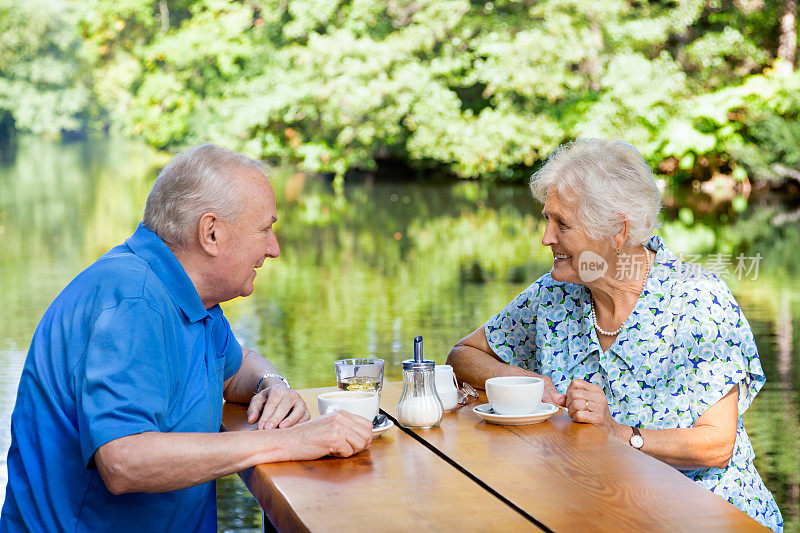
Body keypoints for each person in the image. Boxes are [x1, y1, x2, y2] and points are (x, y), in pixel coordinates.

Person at [1, 144, 373, 532]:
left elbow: (237, 365)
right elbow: (124, 461)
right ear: (210, 233)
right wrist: (296, 442)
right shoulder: (134, 300)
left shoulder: (190, 295)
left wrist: (272, 385)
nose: (273, 248)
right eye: (265, 229)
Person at [447, 138, 782, 532]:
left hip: (705, 516)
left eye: (562, 224)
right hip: (598, 509)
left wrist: (617, 433)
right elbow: (463, 354)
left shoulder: (697, 301)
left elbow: (715, 444)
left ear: (617, 231)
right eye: (547, 219)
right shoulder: (555, 292)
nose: (545, 237)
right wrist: (521, 381)